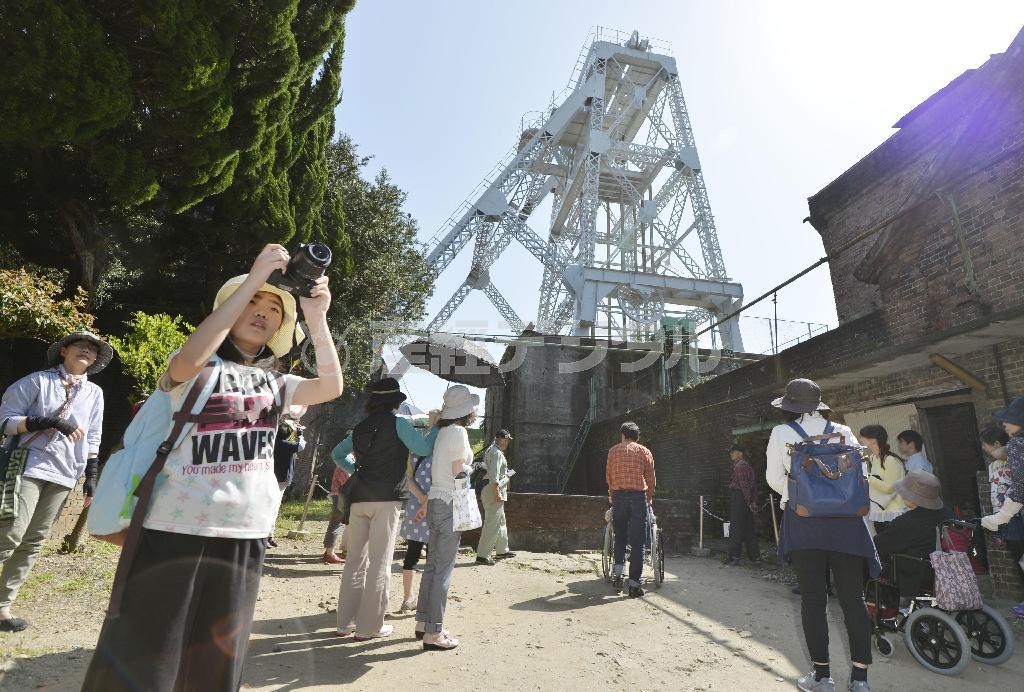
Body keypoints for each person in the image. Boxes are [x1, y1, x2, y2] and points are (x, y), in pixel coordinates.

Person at [82, 244, 344, 691]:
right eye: (253, 302)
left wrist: (316, 318)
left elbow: (331, 386)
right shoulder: (200, 369)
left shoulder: (276, 383)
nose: (262, 311)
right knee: (147, 651)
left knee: (213, 661)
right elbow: (185, 361)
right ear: (234, 306)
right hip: (174, 525)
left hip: (245, 530)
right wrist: (254, 278)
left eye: (273, 309)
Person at [766, 379, 878, 692]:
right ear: (819, 404)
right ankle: (860, 680)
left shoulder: (780, 433)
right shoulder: (843, 431)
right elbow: (862, 476)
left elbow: (773, 478)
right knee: (853, 601)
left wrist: (802, 495)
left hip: (804, 523)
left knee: (813, 600)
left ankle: (822, 677)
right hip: (847, 525)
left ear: (790, 406)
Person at [0, 331, 110, 633]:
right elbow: (5, 421)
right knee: (11, 533)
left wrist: (91, 475)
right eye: (80, 346)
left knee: (34, 540)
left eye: (91, 349)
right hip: (28, 465)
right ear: (64, 351)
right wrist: (47, 420)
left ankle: (2, 607)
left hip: (65, 472)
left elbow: (94, 435)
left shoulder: (94, 394)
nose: (86, 351)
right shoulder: (37, 381)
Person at [331, 377, 437, 641]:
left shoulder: (360, 427)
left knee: (354, 561)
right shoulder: (400, 424)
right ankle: (370, 628)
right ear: (394, 403)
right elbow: (423, 447)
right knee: (379, 563)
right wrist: (436, 427)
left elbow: (337, 454)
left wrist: (357, 470)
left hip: (359, 499)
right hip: (386, 500)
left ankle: (345, 624)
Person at [415, 385, 478, 650]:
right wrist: (472, 467)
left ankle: (422, 623)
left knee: (431, 566)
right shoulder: (460, 432)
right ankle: (434, 632)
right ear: (466, 411)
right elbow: (457, 471)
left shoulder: (440, 432)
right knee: (444, 569)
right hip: (451, 502)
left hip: (435, 500)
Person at [873, 470, 952, 611]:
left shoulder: (908, 522)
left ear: (913, 497)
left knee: (869, 560)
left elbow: (879, 545)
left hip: (916, 576)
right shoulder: (947, 514)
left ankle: (882, 607)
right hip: (946, 570)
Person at [980, 396, 1024, 618]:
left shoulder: (1017, 445)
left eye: (1009, 419)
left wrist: (1000, 517)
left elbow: (1019, 488)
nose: (1004, 424)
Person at [606, 421, 656, 598]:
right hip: (637, 498)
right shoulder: (644, 451)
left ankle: (618, 576)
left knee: (620, 537)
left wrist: (612, 494)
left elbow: (609, 477)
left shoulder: (613, 451)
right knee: (638, 542)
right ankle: (634, 585)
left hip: (619, 497)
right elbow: (650, 479)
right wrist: (648, 499)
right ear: (637, 437)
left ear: (622, 435)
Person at [475, 429, 515, 565]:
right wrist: (497, 491)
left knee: (500, 521)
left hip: (491, 489)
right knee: (492, 523)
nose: (508, 442)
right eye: (507, 439)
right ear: (503, 440)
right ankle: (482, 555)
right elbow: (494, 474)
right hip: (493, 490)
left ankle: (502, 550)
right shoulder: (497, 453)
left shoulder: (491, 450)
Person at [399, 452, 431, 612]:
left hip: (415, 506)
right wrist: (428, 500)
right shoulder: (443, 453)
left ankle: (408, 598)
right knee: (433, 559)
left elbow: (408, 479)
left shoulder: (414, 454)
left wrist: (421, 498)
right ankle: (428, 600)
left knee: (412, 554)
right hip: (436, 509)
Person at [859, 425, 906, 532]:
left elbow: (890, 488)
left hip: (894, 512)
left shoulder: (890, 460)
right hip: (879, 510)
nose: (860, 439)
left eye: (863, 437)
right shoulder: (873, 458)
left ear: (873, 440)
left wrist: (867, 477)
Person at [268, 415, 304, 548]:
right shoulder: (286, 445)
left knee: (269, 507)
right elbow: (301, 446)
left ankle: (269, 535)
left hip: (269, 478)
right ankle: (268, 535)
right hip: (280, 480)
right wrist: (300, 434)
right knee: (273, 508)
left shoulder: (271, 443)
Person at [724, 443, 760, 566]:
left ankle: (734, 556)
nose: (731, 454)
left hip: (740, 498)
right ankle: (754, 556)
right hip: (744, 498)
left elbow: (744, 485)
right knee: (749, 528)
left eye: (733, 451)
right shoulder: (747, 466)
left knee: (736, 527)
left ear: (740, 453)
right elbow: (753, 485)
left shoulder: (740, 465)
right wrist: (752, 501)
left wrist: (749, 501)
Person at [322, 464, 349, 564]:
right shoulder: (346, 459)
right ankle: (329, 554)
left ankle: (329, 552)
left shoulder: (348, 458)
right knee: (336, 524)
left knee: (335, 524)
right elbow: (346, 482)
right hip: (340, 496)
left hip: (339, 495)